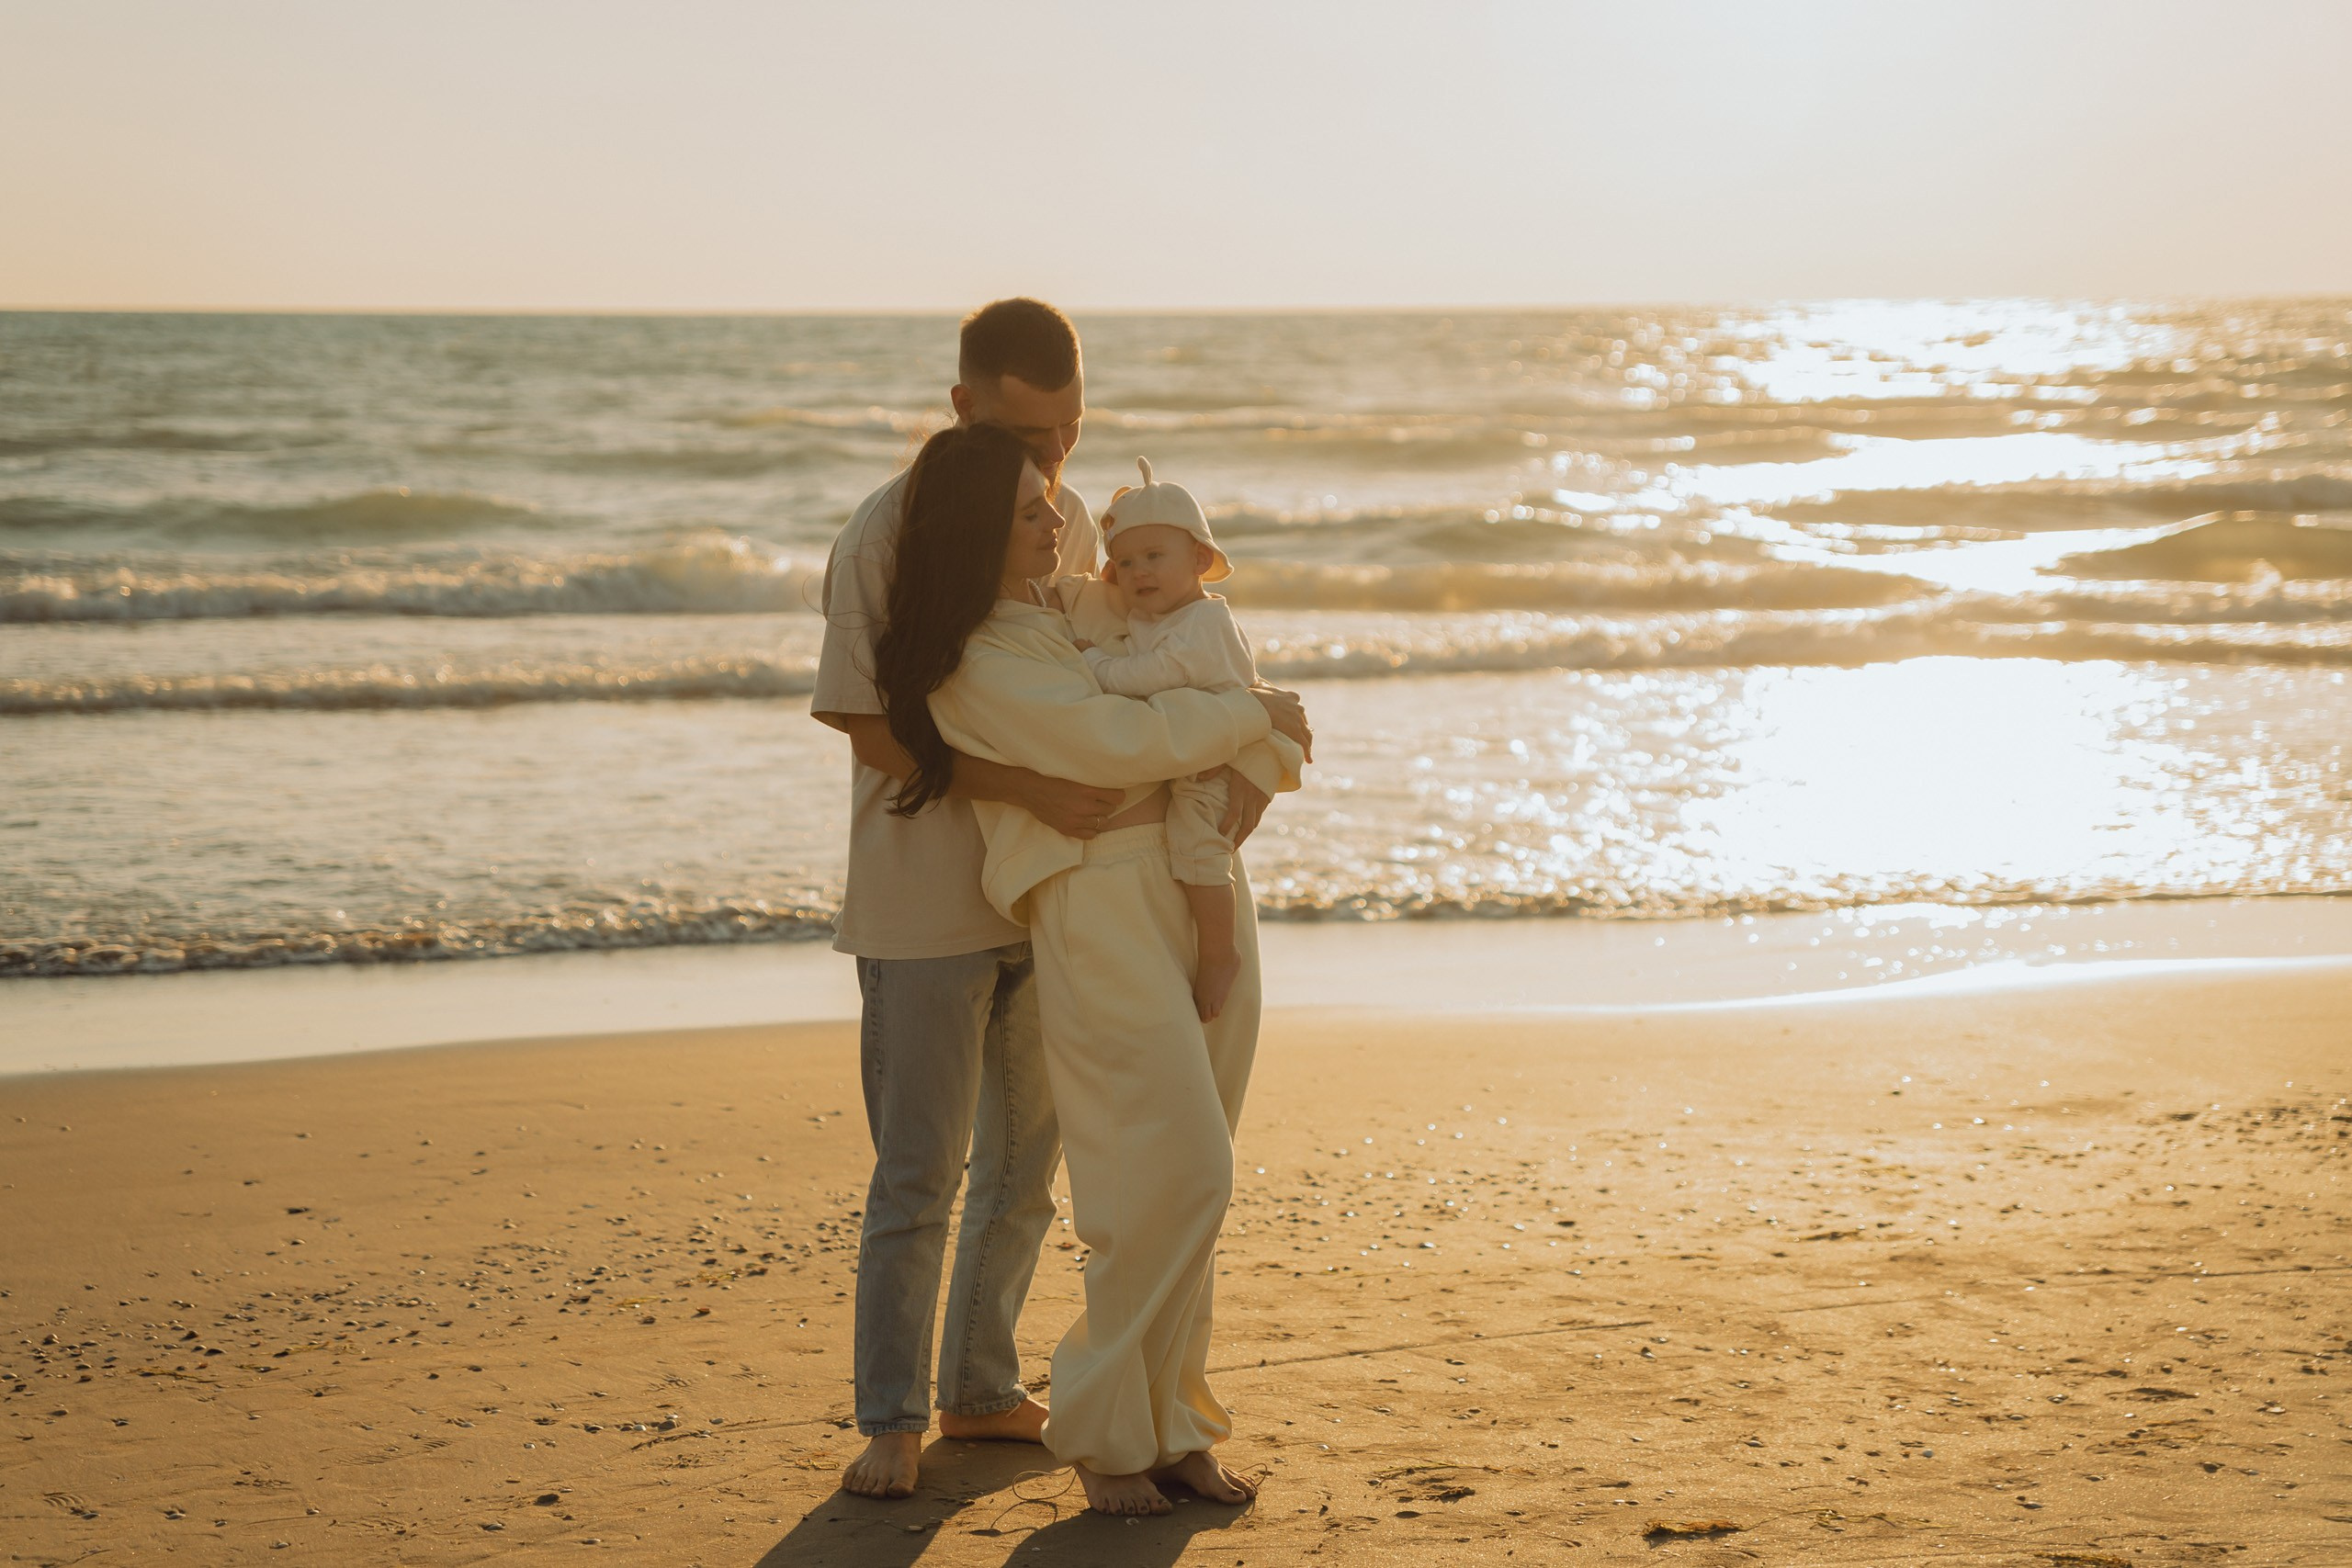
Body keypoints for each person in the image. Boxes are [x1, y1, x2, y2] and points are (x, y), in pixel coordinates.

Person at [808, 299, 1306, 1500]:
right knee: (924, 1168)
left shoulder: (1059, 527)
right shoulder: (895, 532)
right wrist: (1037, 776)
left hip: (1056, 888)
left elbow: (1147, 656)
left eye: (1066, 440)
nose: (1052, 478)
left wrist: (1251, 748)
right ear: (966, 413)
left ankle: (991, 1390)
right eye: (1030, 448)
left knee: (1036, 1172)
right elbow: (871, 718)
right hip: (936, 892)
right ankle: (895, 1412)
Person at [1066, 458, 1257, 1022]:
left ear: (1200, 560)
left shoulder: (1201, 625)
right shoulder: (1164, 612)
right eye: (1125, 563)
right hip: (1196, 747)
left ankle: (1220, 955)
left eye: (1154, 558)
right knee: (1186, 852)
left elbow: (1142, 677)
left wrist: (1090, 660)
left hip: (1214, 766)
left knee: (1198, 851)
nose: (1139, 573)